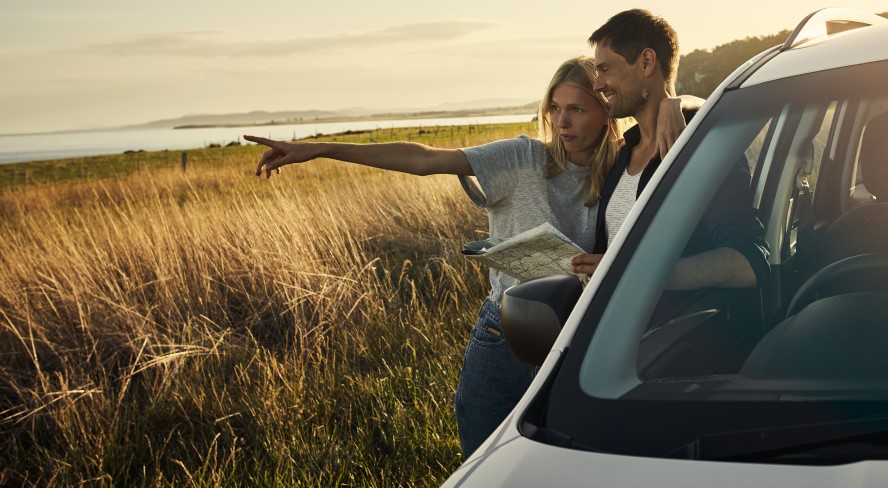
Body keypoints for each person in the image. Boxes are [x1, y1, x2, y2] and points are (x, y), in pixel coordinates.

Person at [245, 55, 688, 459]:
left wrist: (673, 101)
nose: (561, 122)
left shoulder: (621, 167)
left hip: (582, 339)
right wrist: (322, 149)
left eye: (576, 109)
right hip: (507, 334)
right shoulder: (522, 156)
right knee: (484, 464)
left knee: (558, 464)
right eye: (554, 108)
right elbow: (423, 159)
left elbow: (690, 114)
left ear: (605, 112)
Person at [572, 9, 770, 296]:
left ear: (647, 62)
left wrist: (639, 274)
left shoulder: (701, 150)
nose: (598, 84)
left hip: (675, 336)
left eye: (605, 70)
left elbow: (749, 261)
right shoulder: (618, 158)